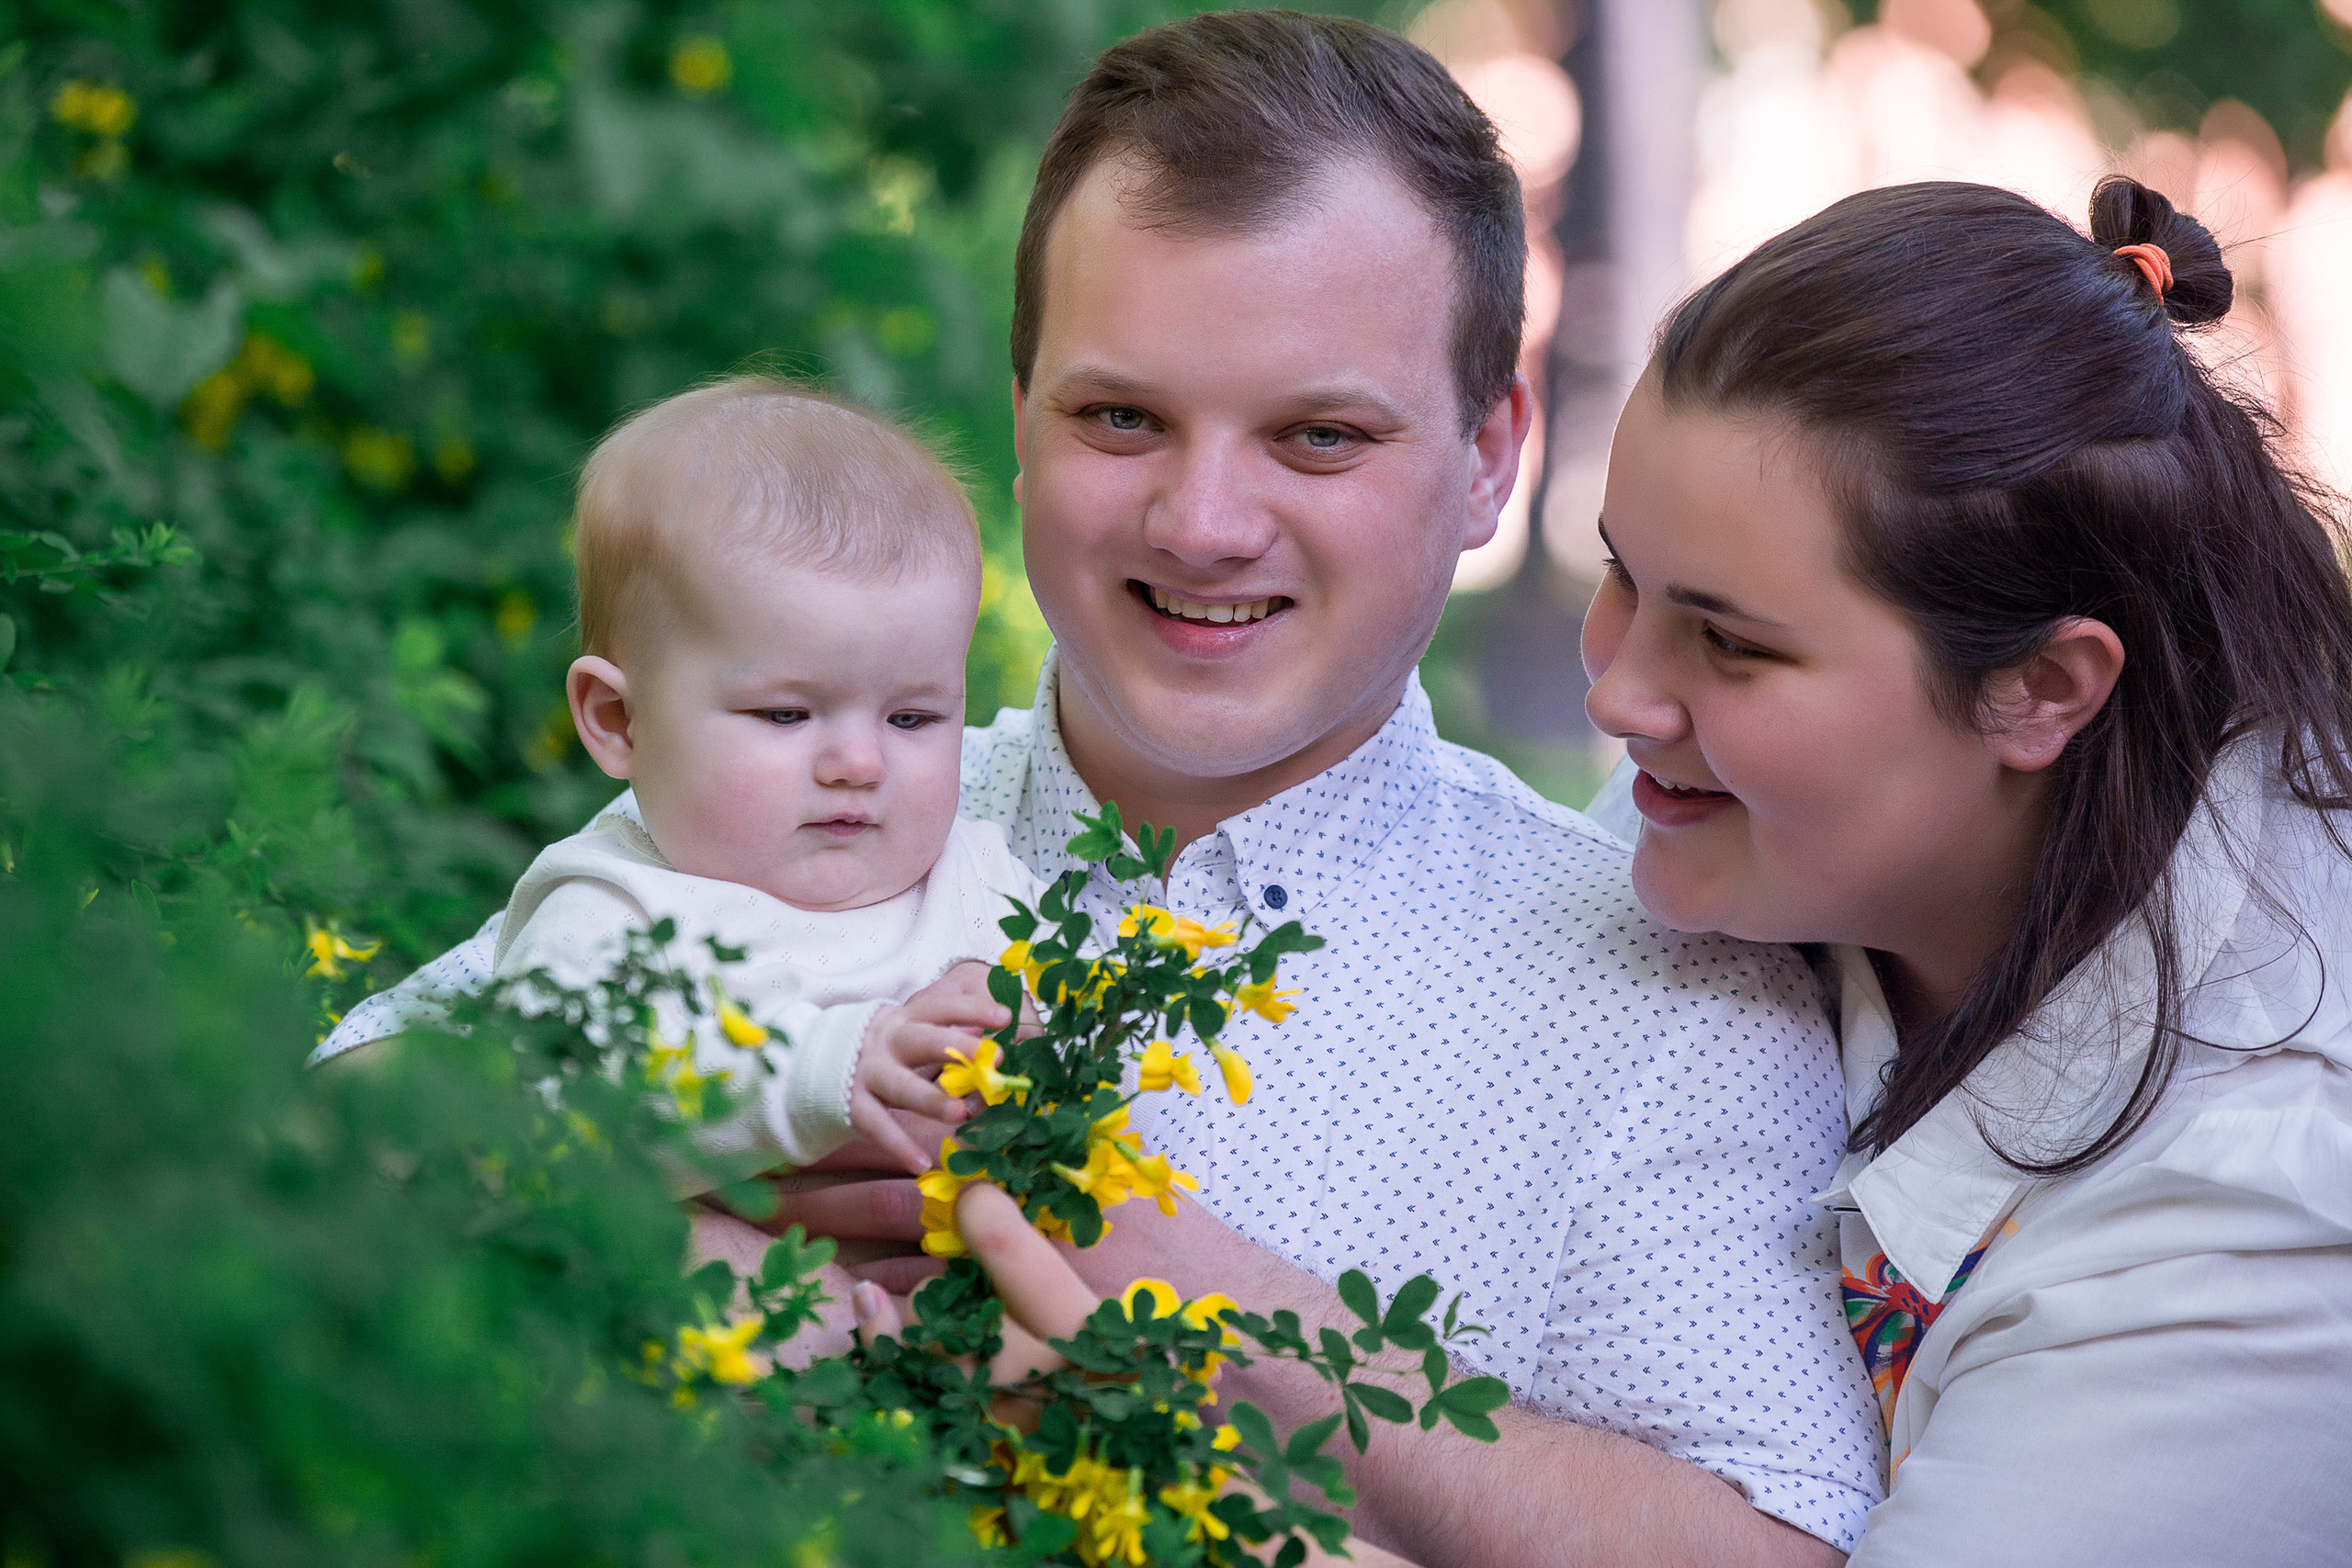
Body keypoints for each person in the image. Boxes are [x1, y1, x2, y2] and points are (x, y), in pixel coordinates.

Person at [322, 14, 1883, 1563]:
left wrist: (1172, 1280)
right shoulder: (793, 803)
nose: (1202, 522)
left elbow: (1770, 1543)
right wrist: (659, 1228)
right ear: (1020, 422)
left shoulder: (1673, 997)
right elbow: (302, 1160)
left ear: (1488, 458)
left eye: (1317, 436)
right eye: (1120, 416)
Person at [1569, 177, 2352, 1562]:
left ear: (2040, 688)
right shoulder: (1746, 814)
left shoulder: (2258, 1195)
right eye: (1623, 574)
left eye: (1733, 643)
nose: (1624, 694)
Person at [379, 378, 1035, 1179]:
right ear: (620, 719)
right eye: (787, 715)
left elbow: (1104, 1073)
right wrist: (825, 1065)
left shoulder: (975, 880)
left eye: (912, 719)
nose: (860, 765)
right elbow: (558, 1102)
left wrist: (1029, 1023)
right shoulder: (609, 913)